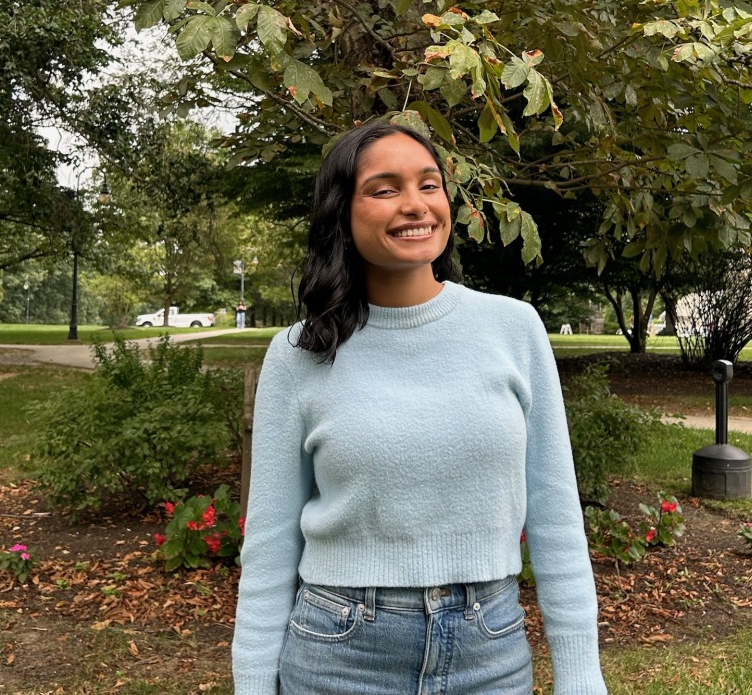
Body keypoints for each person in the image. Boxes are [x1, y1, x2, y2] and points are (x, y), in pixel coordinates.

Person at [233, 123, 607, 695]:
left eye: (429, 185)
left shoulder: (513, 329)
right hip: (340, 654)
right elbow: (269, 545)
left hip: (491, 648)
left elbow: (556, 519)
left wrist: (581, 676)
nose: (415, 205)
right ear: (342, 212)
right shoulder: (299, 354)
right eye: (384, 189)